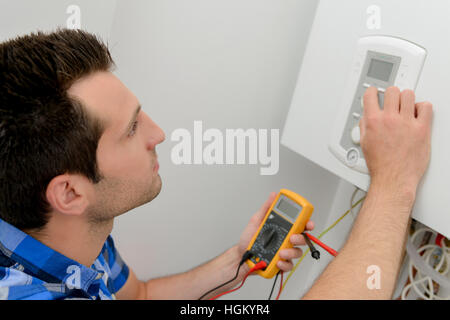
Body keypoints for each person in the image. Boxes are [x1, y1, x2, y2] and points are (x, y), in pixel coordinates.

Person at [0, 29, 432, 300]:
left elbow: (139, 297)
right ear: (70, 193)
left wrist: (237, 263)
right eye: (131, 129)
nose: (158, 134)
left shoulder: (64, 236)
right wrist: (394, 181)